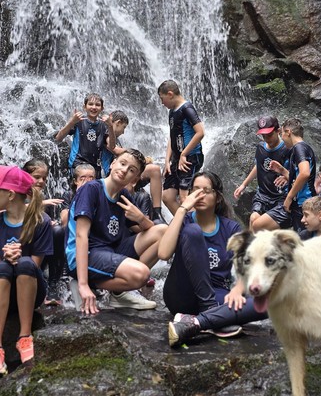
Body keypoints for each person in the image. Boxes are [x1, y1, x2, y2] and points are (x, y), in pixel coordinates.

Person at [158, 169, 268, 347]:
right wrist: (182, 209)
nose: (199, 195)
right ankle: (213, 316)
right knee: (193, 232)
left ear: (217, 198)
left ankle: (198, 321)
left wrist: (238, 289)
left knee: (267, 302)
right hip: (181, 293)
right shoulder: (184, 220)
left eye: (206, 191)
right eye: (195, 190)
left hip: (217, 293)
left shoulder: (230, 228)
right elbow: (163, 254)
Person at [66, 148, 166, 314]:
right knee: (142, 274)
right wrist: (83, 285)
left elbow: (149, 230)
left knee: (163, 231)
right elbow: (81, 235)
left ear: (135, 178)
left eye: (131, 170)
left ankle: (118, 292)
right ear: (113, 163)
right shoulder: (91, 189)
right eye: (122, 163)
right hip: (85, 254)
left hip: (110, 251)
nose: (124, 170)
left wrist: (140, 217)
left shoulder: (123, 195)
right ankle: (87, 282)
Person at [0, 165, 54, 380]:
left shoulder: (41, 222)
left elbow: (35, 266)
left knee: (26, 263)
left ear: (10, 195)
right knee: (3, 266)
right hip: (1, 289)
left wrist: (18, 257)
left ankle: (25, 336)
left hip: (30, 290)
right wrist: (7, 258)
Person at [101, 111, 164, 220]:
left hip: (123, 172)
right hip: (111, 173)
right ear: (118, 123)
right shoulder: (107, 133)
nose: (123, 132)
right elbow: (114, 149)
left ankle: (157, 213)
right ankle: (156, 214)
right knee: (153, 170)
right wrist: (140, 157)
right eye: (124, 127)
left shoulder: (116, 138)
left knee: (155, 170)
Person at [233, 115, 290, 232]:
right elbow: (258, 166)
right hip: (263, 195)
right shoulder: (260, 148)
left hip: (280, 197)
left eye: (269, 135)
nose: (267, 139)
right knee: (253, 218)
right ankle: (251, 243)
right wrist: (244, 185)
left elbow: (295, 175)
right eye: (264, 136)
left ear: (278, 131)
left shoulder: (286, 150)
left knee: (259, 226)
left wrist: (286, 177)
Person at [158, 79, 205, 214]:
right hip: (177, 159)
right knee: (167, 196)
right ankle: (183, 224)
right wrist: (167, 160)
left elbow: (200, 132)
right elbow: (172, 136)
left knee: (185, 198)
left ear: (170, 94)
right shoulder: (172, 112)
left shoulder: (187, 109)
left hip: (190, 157)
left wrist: (184, 153)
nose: (162, 103)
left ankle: (196, 226)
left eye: (162, 98)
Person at [23, 158, 66, 295]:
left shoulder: (43, 198)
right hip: (21, 247)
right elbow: (12, 211)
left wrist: (50, 224)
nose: (41, 181)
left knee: (58, 232)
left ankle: (54, 282)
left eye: (44, 178)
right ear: (25, 176)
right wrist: (41, 204)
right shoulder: (17, 195)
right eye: (37, 177)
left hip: (40, 249)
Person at [268, 118, 316, 233]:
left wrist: (289, 197)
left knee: (304, 239)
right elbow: (301, 177)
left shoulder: (299, 148)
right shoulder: (304, 147)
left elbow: (304, 173)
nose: (281, 138)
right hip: (305, 203)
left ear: (288, 132)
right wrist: (283, 171)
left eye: (282, 133)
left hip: (304, 203)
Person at [54, 92, 116, 176]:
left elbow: (112, 147)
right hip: (77, 163)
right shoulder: (78, 121)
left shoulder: (104, 125)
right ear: (84, 107)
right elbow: (59, 138)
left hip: (95, 167)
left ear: (102, 108)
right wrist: (72, 122)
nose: (94, 107)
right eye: (90, 104)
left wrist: (110, 126)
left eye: (97, 105)